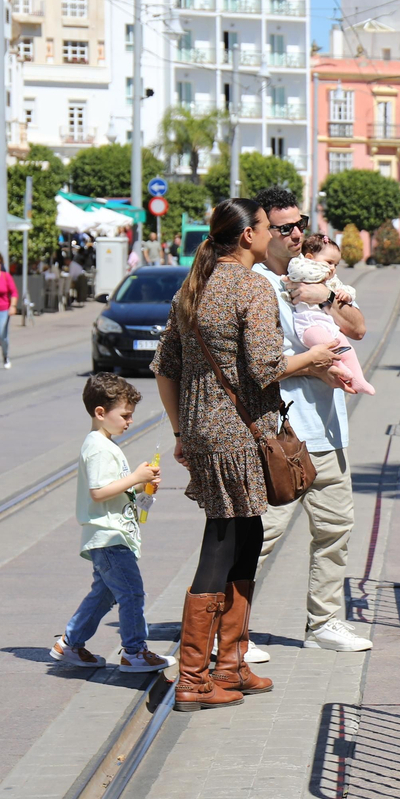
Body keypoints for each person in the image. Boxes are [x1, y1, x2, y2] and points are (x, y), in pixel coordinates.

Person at [153, 198, 345, 711]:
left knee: (248, 532)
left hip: (206, 433)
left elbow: (164, 368)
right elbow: (264, 367)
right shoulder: (252, 286)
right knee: (222, 541)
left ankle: (231, 664)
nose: (271, 234)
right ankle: (194, 678)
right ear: (247, 236)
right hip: (239, 435)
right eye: (264, 227)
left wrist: (181, 432)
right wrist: (314, 357)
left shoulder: (192, 288)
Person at [249, 187, 374, 656]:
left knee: (335, 529)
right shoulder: (258, 283)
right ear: (263, 232)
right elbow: (259, 358)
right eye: (285, 227)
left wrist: (328, 289)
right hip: (284, 432)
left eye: (300, 223)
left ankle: (324, 624)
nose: (297, 233)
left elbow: (358, 327)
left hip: (329, 427)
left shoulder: (320, 273)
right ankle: (229, 630)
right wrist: (315, 361)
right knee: (262, 536)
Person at [50, 374, 175, 673]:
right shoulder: (97, 447)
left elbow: (111, 488)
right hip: (109, 535)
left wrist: (139, 488)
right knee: (132, 593)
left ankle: (70, 643)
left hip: (110, 534)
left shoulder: (103, 443)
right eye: (125, 415)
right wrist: (135, 478)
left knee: (104, 594)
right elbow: (97, 492)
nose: (129, 421)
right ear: (100, 413)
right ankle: (134, 651)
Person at [289, 240, 375, 395]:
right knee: (327, 345)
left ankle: (359, 380)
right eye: (328, 262)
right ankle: (341, 369)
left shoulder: (331, 281)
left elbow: (359, 329)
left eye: (336, 264)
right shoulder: (300, 267)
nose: (332, 268)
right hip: (308, 324)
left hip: (328, 324)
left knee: (347, 349)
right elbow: (300, 271)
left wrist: (341, 295)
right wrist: (319, 272)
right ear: (309, 258)